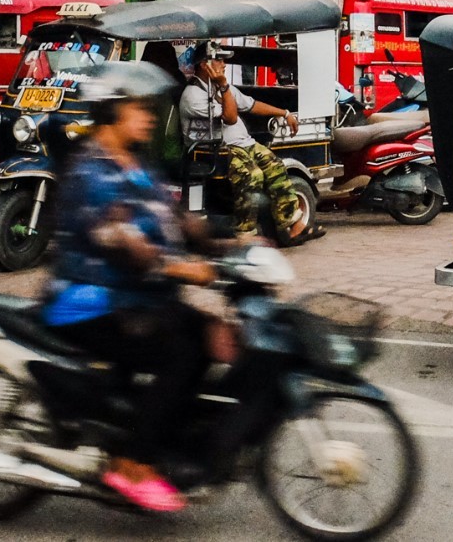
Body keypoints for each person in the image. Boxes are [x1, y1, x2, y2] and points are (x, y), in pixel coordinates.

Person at [44, 61, 221, 514]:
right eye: (139, 109)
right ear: (113, 111)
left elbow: (171, 217)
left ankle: (152, 435)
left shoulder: (136, 165)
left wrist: (229, 241)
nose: (147, 117)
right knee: (180, 352)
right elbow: (125, 243)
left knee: (207, 334)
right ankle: (131, 463)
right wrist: (184, 270)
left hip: (133, 297)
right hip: (88, 301)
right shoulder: (91, 172)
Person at [178, 44, 308, 240]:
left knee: (274, 165)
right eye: (219, 60)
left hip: (244, 144)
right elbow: (230, 117)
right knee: (251, 175)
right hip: (218, 149)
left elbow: (252, 105)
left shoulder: (221, 88)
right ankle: (245, 232)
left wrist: (285, 113)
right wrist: (223, 86)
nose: (224, 64)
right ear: (205, 65)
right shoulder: (193, 95)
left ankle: (290, 220)